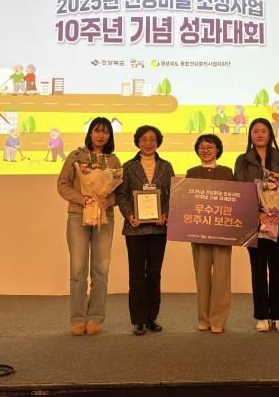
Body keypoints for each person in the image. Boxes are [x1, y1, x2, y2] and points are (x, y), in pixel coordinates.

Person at [57, 117, 121, 336]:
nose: (101, 135)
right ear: (90, 133)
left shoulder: (114, 160)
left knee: (101, 270)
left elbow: (118, 192)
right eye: (97, 131)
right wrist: (82, 199)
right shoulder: (76, 156)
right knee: (78, 269)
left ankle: (95, 317)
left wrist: (107, 200)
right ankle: (77, 318)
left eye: (106, 132)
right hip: (78, 215)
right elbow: (62, 184)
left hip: (104, 217)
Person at [234, 118, 279, 332]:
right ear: (250, 135)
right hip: (255, 224)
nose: (259, 134)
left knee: (278, 268)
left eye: (263, 131)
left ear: (270, 134)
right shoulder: (242, 160)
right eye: (255, 131)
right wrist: (258, 213)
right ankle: (262, 315)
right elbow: (240, 191)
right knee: (258, 269)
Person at [116, 125, 175, 336]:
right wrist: (129, 214)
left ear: (158, 142)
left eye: (152, 139)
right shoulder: (127, 166)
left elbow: (172, 194)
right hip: (135, 229)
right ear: (138, 142)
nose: (148, 143)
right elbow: (121, 195)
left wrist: (165, 213)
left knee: (154, 274)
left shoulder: (166, 166)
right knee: (137, 274)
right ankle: (138, 320)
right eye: (144, 139)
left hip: (159, 229)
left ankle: (152, 317)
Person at [185, 134, 234, 333]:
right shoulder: (191, 172)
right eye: (202, 147)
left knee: (222, 277)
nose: (205, 151)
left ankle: (218, 320)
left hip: (223, 233)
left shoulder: (227, 172)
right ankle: (203, 318)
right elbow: (186, 201)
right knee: (202, 276)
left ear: (218, 150)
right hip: (198, 232)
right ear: (197, 151)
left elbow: (235, 201)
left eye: (210, 147)